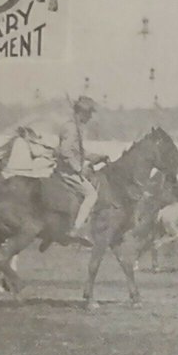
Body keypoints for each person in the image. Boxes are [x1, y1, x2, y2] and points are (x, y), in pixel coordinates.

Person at [55, 95, 110, 244]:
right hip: (67, 172)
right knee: (91, 194)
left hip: (70, 169)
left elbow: (79, 152)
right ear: (82, 112)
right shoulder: (71, 128)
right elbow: (65, 151)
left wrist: (96, 157)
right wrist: (78, 168)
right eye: (89, 113)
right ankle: (76, 229)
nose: (91, 117)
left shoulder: (76, 127)